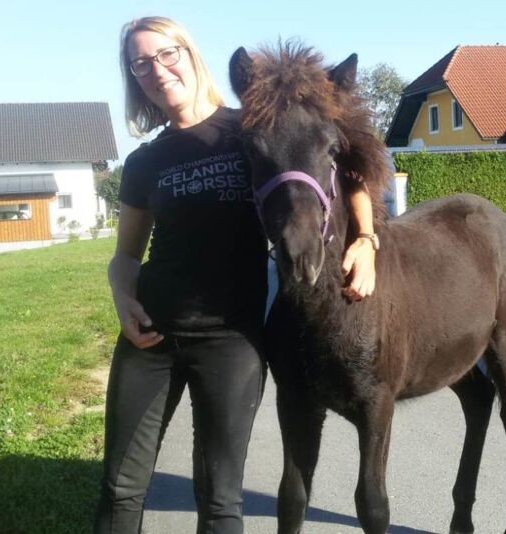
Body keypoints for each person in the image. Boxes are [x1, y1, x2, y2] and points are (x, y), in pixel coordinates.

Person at [95, 16, 379, 534]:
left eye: (166, 54)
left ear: (190, 54)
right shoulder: (144, 162)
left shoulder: (252, 127)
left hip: (230, 342)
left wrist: (366, 239)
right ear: (133, 77)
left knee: (221, 499)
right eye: (140, 63)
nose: (157, 70)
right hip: (149, 338)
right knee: (120, 488)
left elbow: (346, 168)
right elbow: (126, 256)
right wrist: (121, 294)